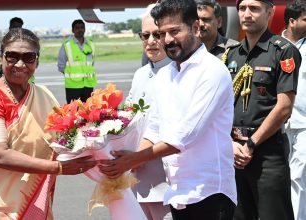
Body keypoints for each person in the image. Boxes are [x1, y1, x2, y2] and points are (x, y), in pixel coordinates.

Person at [100, 0, 237, 219]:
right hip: (177, 192)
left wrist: (132, 160)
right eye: (163, 33)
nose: (167, 40)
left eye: (174, 31)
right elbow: (154, 127)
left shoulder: (212, 72)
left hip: (209, 192)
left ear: (195, 28)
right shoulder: (166, 75)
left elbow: (186, 135)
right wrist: (125, 156)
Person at [0, 28, 96, 219]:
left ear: (37, 61)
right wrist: (58, 168)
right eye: (12, 56)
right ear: (1, 57)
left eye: (28, 57)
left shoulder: (44, 95)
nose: (20, 63)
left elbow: (65, 137)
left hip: (33, 198)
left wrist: (101, 141)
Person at [223, 0, 301, 219]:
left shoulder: (283, 51)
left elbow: (284, 106)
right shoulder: (230, 55)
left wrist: (250, 144)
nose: (247, 14)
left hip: (266, 153)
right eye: (242, 9)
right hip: (234, 153)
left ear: (270, 12)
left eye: (254, 9)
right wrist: (230, 144)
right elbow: (220, 107)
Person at [125, 3, 172, 220]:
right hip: (136, 173)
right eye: (145, 35)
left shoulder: (179, 73)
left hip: (166, 179)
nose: (151, 41)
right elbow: (129, 114)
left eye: (157, 34)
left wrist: (135, 157)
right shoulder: (140, 74)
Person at [282, 1, 306, 220]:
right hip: (275, 124)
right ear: (292, 21)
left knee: (298, 176)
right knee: (277, 177)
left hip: (303, 124)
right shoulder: (273, 45)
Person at [57, 19, 97, 103]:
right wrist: (71, 75)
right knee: (73, 112)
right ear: (73, 30)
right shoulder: (67, 45)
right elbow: (61, 65)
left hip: (88, 85)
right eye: (77, 28)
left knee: (87, 111)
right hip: (73, 86)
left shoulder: (91, 44)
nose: (80, 30)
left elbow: (92, 63)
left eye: (82, 27)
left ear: (85, 29)